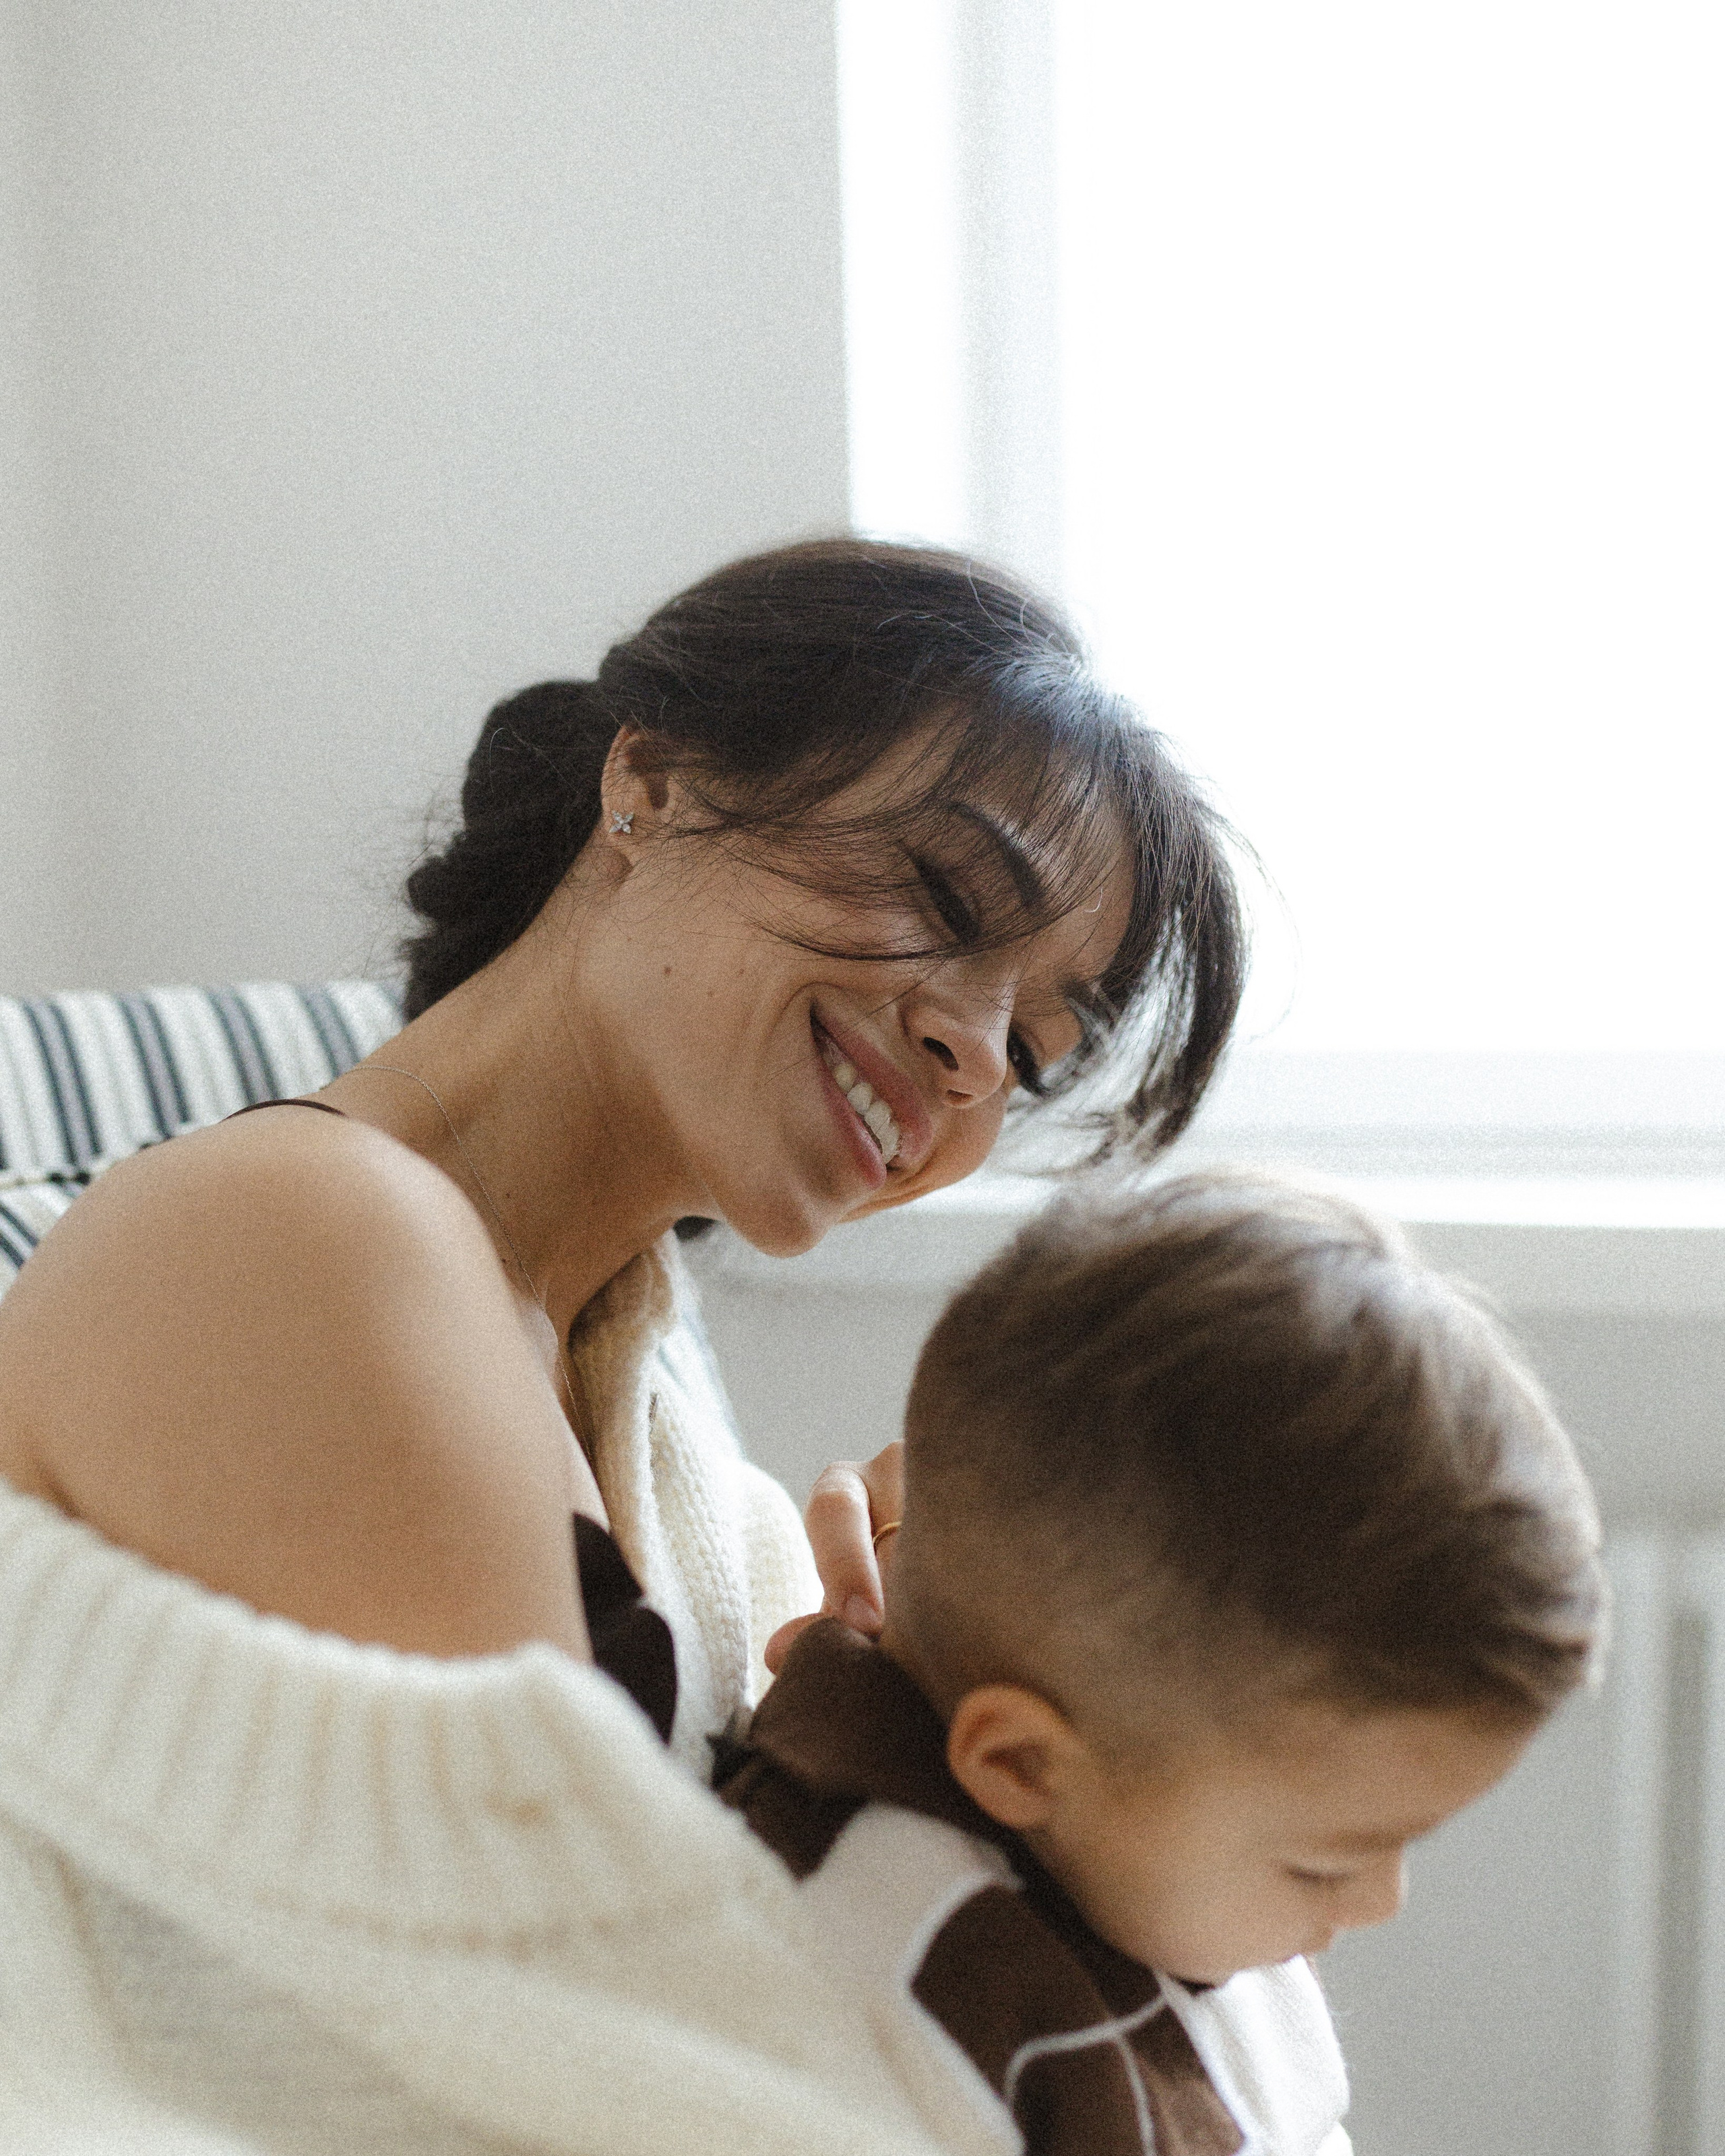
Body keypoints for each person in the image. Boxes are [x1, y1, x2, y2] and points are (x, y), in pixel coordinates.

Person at [0, 540, 1245, 2153]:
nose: (971, 1052)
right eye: (943, 899)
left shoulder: (621, 1379)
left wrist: (908, 1698)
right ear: (648, 783)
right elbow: (586, 2034)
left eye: (1038, 1043)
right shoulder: (304, 1227)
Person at [717, 1169, 1606, 2156]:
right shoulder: (879, 1997)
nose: (1382, 1903)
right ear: (1020, 1765)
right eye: (1323, 1864)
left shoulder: (1133, 1861)